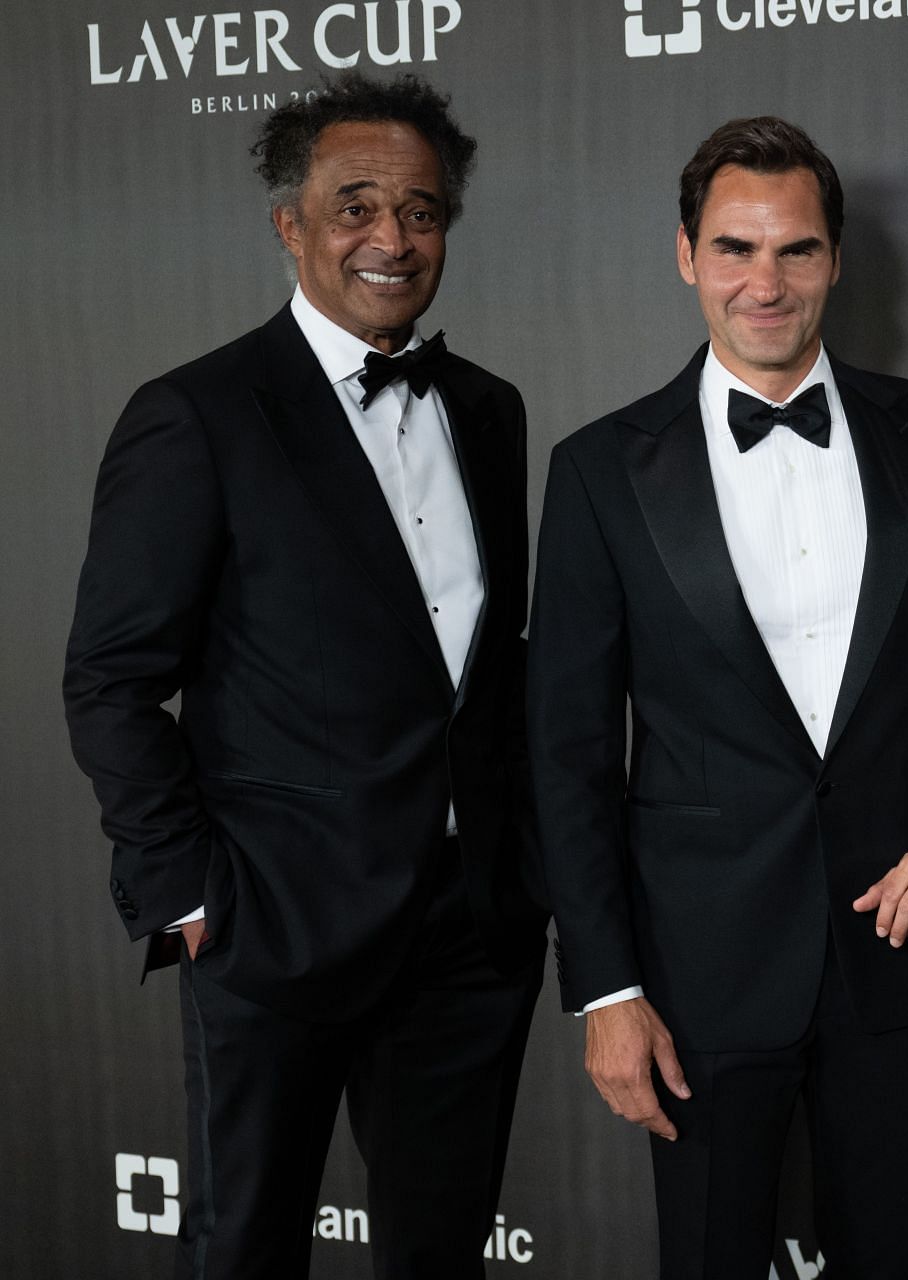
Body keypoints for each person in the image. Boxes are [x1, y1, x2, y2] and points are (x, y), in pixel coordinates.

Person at [526, 115, 908, 1279]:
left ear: (836, 260)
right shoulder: (600, 469)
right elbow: (566, 754)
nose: (765, 282)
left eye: (796, 250)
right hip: (695, 973)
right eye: (734, 248)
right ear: (685, 254)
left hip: (899, 948)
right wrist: (605, 986)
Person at [63, 73, 546, 1279]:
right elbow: (111, 679)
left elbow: (488, 670)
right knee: (245, 1250)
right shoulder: (198, 415)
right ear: (291, 223)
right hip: (272, 926)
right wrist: (187, 896)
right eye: (356, 206)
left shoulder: (487, 409)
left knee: (440, 1258)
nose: (391, 238)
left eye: (422, 210)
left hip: (465, 937)